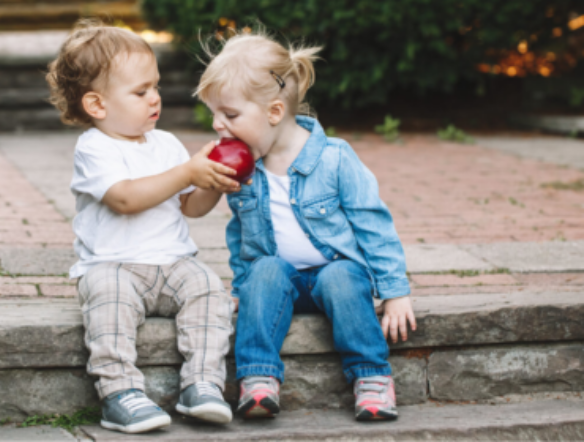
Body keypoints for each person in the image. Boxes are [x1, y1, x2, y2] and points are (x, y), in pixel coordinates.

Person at [195, 30, 417, 422]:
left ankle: (371, 377)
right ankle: (258, 379)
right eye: (215, 114)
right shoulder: (246, 169)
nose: (217, 126)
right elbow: (242, 235)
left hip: (336, 274)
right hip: (281, 281)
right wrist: (242, 287)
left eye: (229, 115)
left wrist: (395, 291)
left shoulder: (335, 158)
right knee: (264, 271)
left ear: (275, 112)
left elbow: (373, 224)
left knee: (343, 277)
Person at [46, 20, 241, 433]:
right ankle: (119, 392)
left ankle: (201, 384)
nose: (155, 98)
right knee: (108, 300)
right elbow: (125, 198)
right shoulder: (95, 148)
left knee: (209, 290)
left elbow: (190, 207)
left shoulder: (165, 143)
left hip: (173, 263)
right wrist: (188, 171)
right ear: (97, 105)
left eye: (155, 87)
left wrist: (213, 182)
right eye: (140, 92)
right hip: (113, 265)